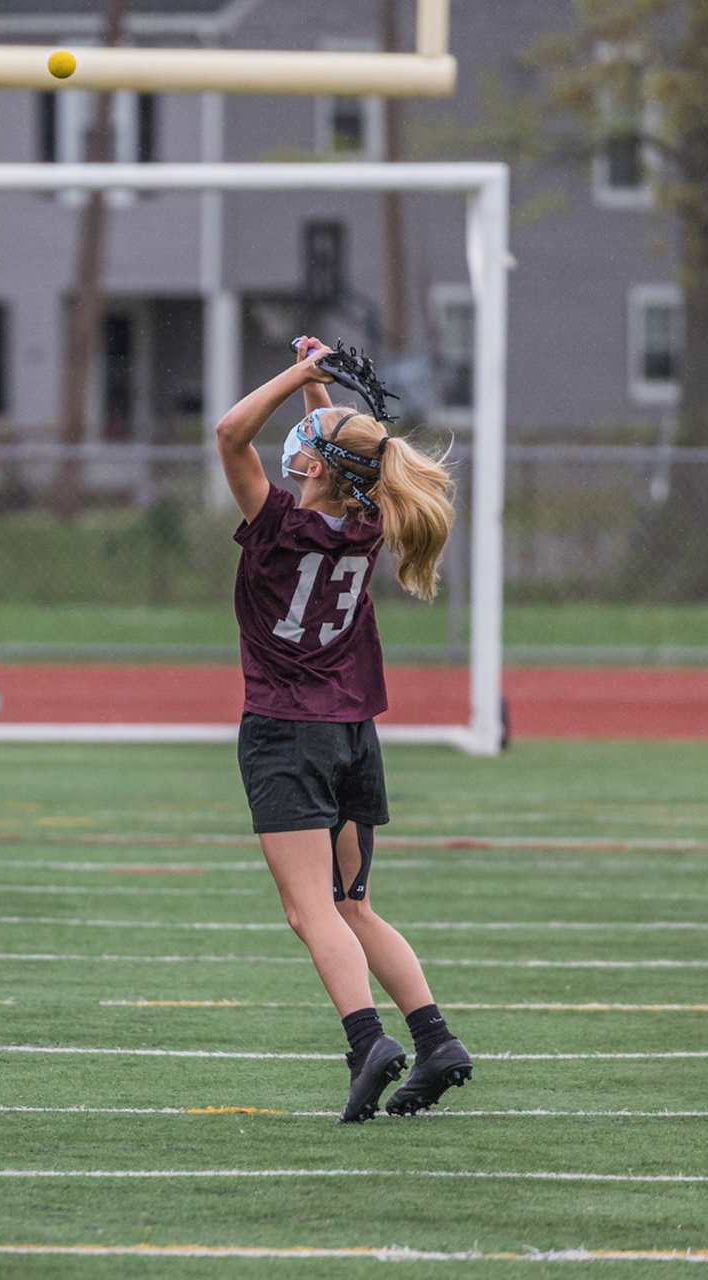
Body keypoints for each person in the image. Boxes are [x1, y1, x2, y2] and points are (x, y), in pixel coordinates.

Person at [213, 336, 474, 1122]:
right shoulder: (368, 519)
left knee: (311, 910)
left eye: (309, 443)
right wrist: (318, 401)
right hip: (353, 731)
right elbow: (350, 457)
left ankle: (368, 1042)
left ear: (317, 467)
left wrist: (302, 374)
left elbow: (229, 432)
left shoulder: (277, 523)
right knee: (354, 905)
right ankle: (435, 1040)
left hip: (288, 732)